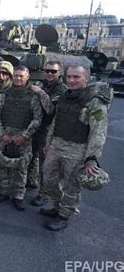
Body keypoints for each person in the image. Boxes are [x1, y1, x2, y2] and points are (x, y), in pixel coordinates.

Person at [40, 65, 111, 231]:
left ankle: (64, 215)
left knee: (71, 186)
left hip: (78, 149)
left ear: (86, 78)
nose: (71, 80)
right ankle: (57, 207)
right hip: (57, 144)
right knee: (48, 179)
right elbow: (55, 121)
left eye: (76, 77)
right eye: (69, 77)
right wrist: (49, 142)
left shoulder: (95, 101)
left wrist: (91, 158)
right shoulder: (65, 96)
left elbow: (98, 131)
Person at [0, 66, 42, 211]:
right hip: (5, 135)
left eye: (21, 76)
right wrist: (2, 134)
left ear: (27, 77)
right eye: (16, 76)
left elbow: (37, 118)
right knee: (4, 165)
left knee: (22, 167)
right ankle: (4, 192)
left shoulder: (32, 96)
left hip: (24, 137)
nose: (18, 78)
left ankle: (19, 196)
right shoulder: (4, 94)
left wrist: (25, 136)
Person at [28, 61, 67, 206]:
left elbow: (50, 109)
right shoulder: (41, 83)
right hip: (35, 126)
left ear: (60, 73)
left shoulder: (61, 89)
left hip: (48, 129)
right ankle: (32, 181)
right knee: (31, 156)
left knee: (46, 163)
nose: (50, 74)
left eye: (53, 71)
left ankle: (44, 194)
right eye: (47, 71)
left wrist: (40, 92)